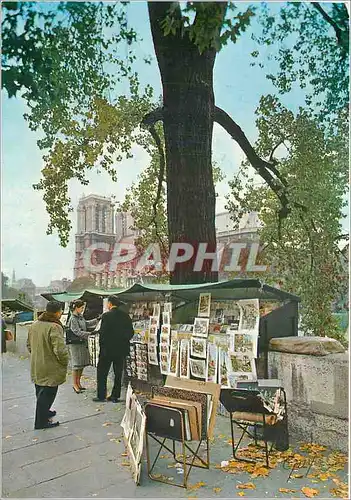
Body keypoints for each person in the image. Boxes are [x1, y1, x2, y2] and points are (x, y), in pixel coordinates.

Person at [27, 301, 68, 430]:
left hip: (37, 364)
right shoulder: (55, 327)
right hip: (50, 366)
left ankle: (45, 412)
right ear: (57, 312)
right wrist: (64, 361)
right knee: (48, 393)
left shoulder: (35, 324)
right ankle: (41, 421)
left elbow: (29, 345)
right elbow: (60, 350)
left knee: (40, 390)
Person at [93, 295, 134, 403]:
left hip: (107, 349)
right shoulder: (126, 316)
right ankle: (115, 396)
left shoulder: (106, 316)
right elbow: (131, 332)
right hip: (121, 349)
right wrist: (123, 341)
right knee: (118, 373)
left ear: (110, 303)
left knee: (102, 372)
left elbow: (103, 333)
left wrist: (102, 345)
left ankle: (101, 395)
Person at [66, 299, 98, 393]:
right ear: (76, 308)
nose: (82, 309)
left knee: (81, 365)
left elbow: (86, 323)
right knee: (76, 365)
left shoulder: (80, 317)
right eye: (81, 308)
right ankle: (75, 384)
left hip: (82, 343)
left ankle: (78, 383)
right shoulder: (73, 319)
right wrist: (90, 333)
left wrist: (97, 320)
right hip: (75, 344)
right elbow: (76, 331)